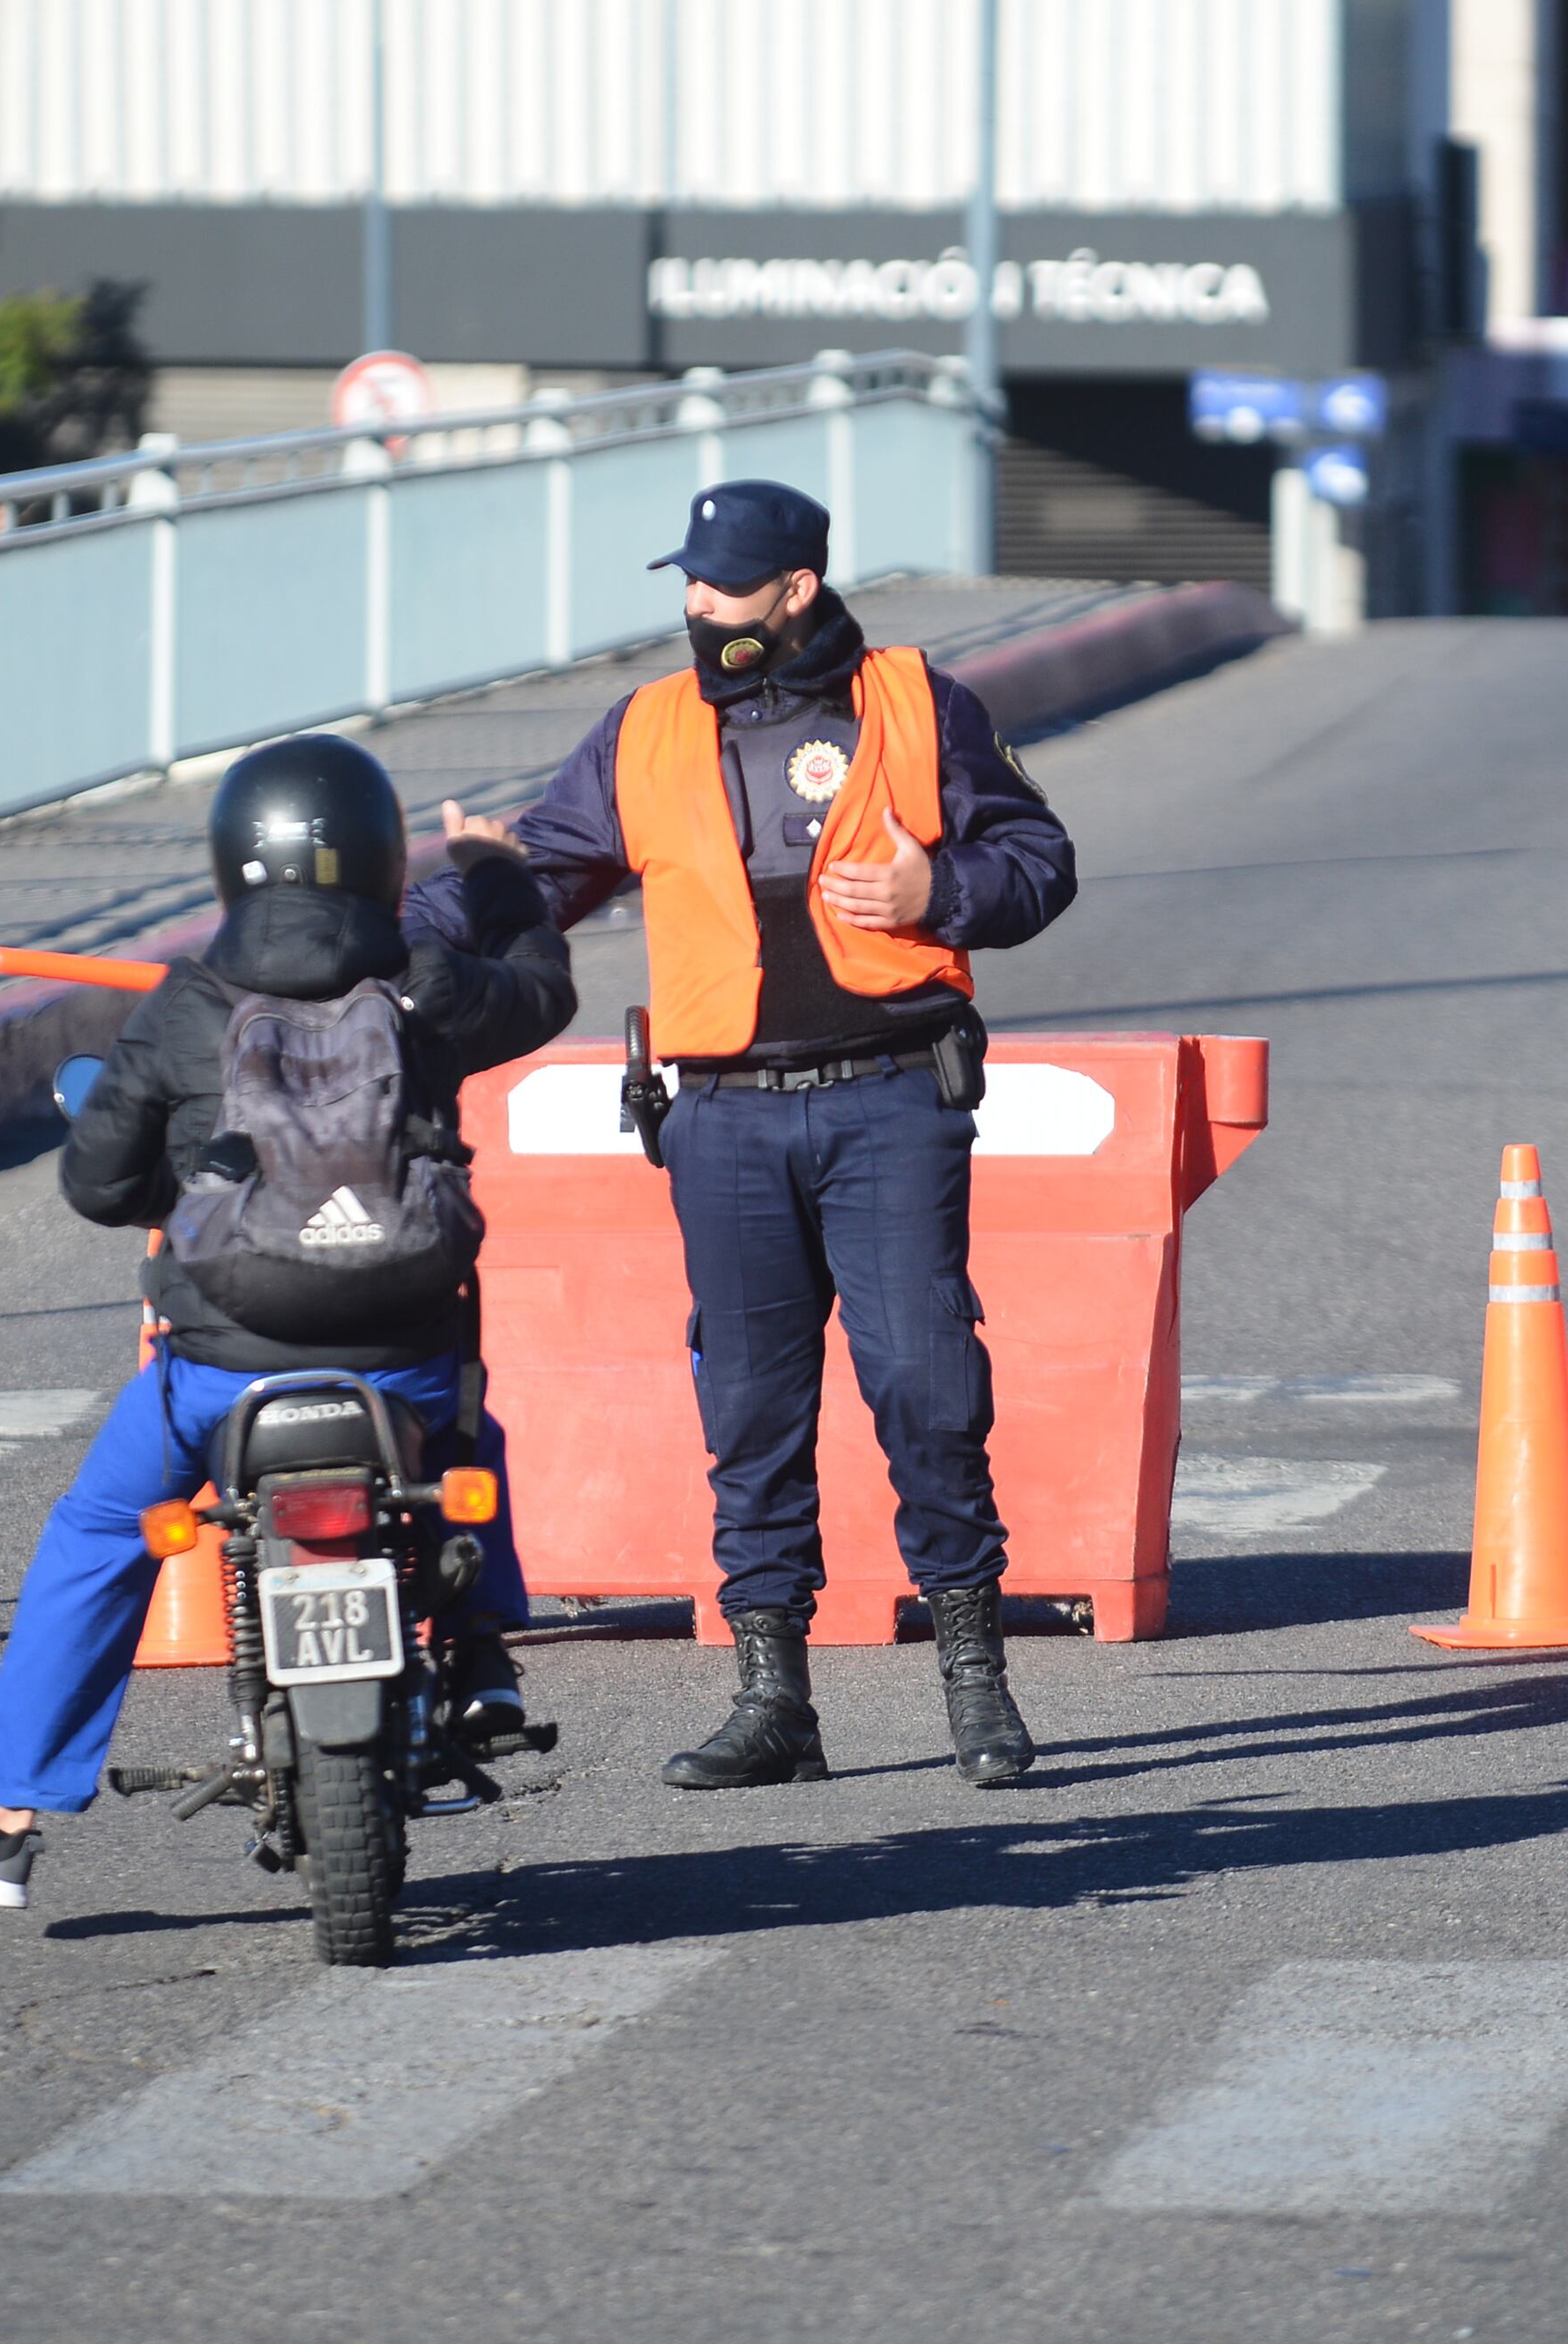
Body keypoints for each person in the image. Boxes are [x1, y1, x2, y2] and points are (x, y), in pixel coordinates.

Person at [418, 478, 1076, 1791]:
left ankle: (976, 1683)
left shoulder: (917, 700)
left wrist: (936, 886)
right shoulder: (646, 730)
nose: (696, 602)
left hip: (890, 1095)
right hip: (723, 1118)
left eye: (723, 582)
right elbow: (548, 870)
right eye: (689, 579)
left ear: (796, 591)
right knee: (752, 1405)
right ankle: (775, 1696)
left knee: (927, 1389)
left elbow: (1040, 858)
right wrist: (465, 888)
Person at [0, 735, 573, 1907]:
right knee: (471, 1437)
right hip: (401, 1364)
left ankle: (5, 1819)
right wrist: (497, 872)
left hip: (222, 1375)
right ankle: (486, 1664)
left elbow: (95, 1186)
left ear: (228, 864)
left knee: (100, 1532)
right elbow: (546, 989)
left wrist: (197, 1194)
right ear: (375, 862)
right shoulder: (427, 987)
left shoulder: (186, 1005)